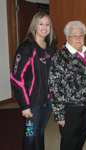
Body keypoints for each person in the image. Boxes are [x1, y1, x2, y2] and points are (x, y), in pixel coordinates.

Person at [10, 12, 57, 150]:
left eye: (47, 24)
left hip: (47, 100)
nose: (44, 27)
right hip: (32, 103)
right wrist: (25, 106)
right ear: (34, 26)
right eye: (41, 23)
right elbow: (16, 79)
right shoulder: (26, 49)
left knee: (40, 132)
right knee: (30, 134)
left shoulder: (50, 47)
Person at [48, 21, 86, 150]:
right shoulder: (60, 57)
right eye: (74, 35)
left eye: (80, 35)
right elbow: (55, 87)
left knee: (81, 137)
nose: (78, 38)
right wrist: (59, 114)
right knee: (70, 141)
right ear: (67, 38)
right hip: (71, 108)